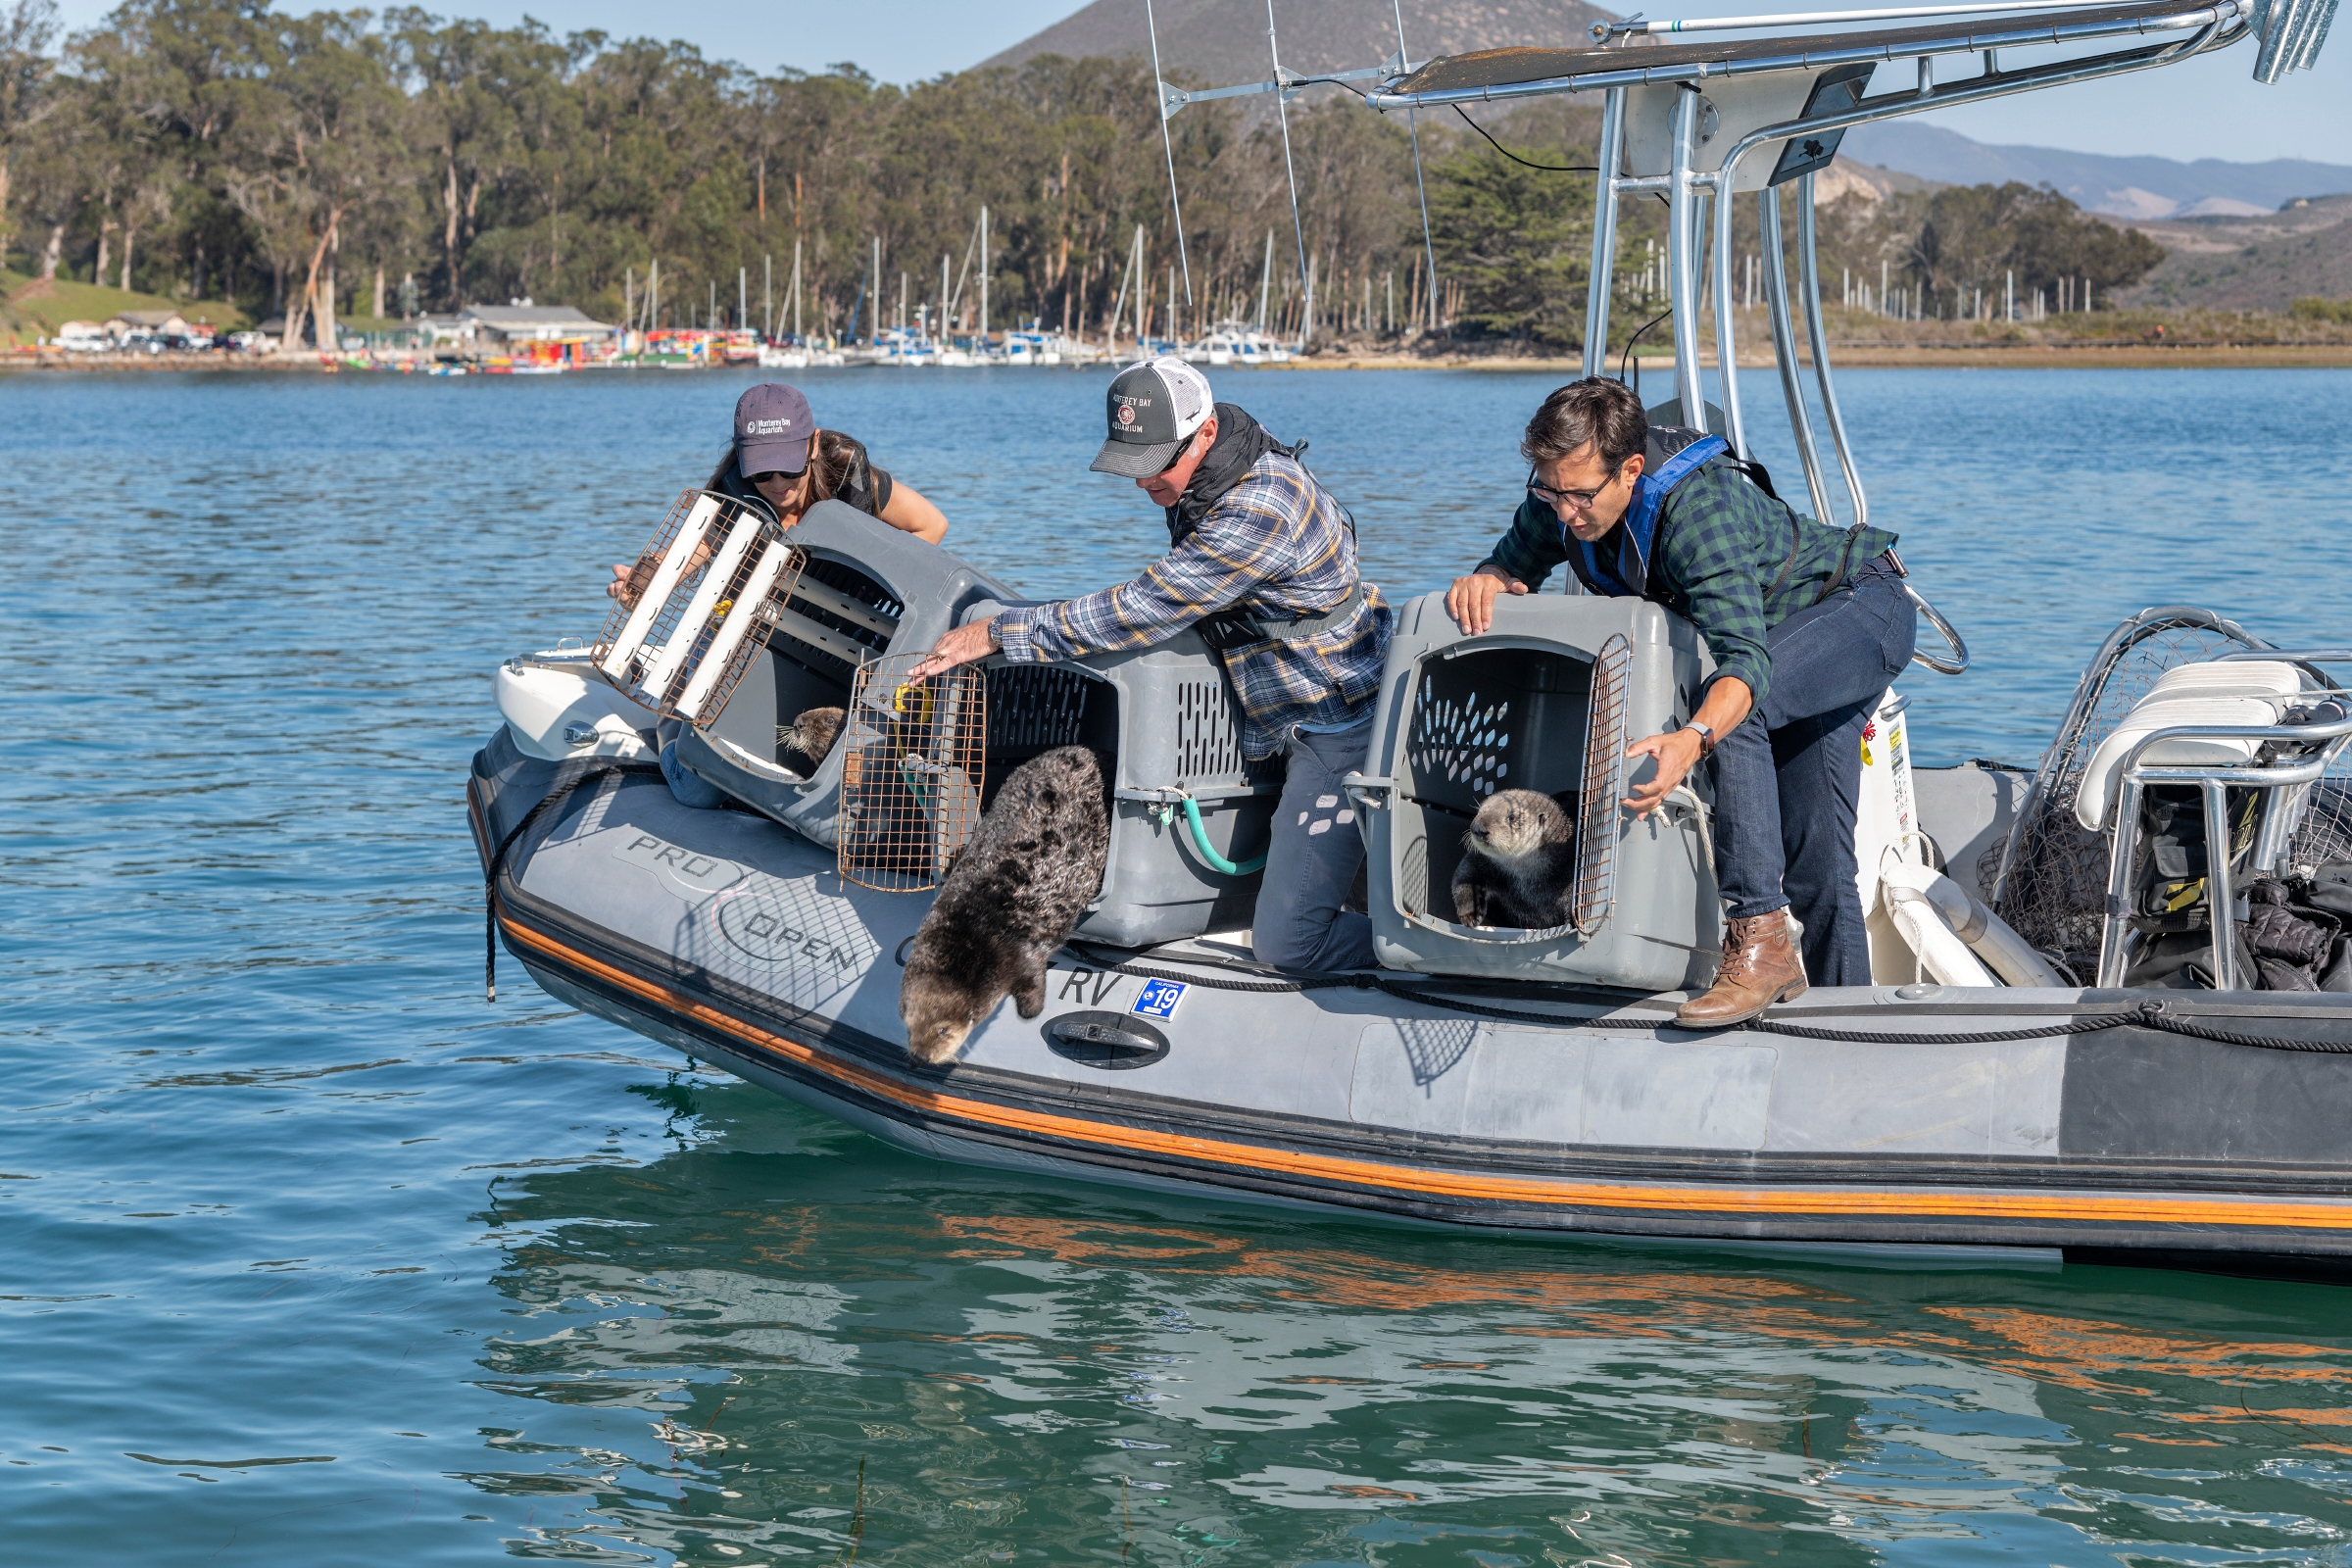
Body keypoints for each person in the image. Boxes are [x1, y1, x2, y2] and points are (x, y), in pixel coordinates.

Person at [1446, 377, 1915, 1025]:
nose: (1564, 514)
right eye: (1547, 490)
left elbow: (1745, 665)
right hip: (1787, 640)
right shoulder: (1562, 495)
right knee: (1817, 862)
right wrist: (1488, 579)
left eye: (1579, 495)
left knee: (1732, 716)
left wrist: (1692, 736)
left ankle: (1757, 937)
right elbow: (1512, 562)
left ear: (1631, 470)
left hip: (1858, 612)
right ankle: (1847, 1022)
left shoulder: (1699, 512)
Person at [909, 357, 1391, 972]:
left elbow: (1146, 605)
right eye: (1133, 464)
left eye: (1157, 463)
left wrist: (1001, 631)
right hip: (1281, 716)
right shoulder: (1210, 472)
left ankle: (1409, 958)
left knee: (1289, 946)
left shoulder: (1260, 504)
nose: (1144, 483)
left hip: (1334, 721)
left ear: (1207, 431)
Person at [616, 383, 951, 808]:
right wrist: (642, 582)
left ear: (811, 446)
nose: (777, 484)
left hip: (835, 637)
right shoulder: (733, 488)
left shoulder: (846, 469)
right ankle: (667, 722)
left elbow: (931, 524)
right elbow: (689, 553)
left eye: (789, 469)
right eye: (761, 472)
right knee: (696, 789)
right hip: (748, 627)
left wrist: (874, 581)